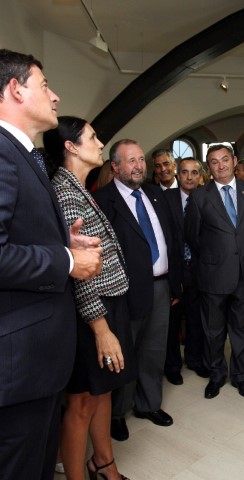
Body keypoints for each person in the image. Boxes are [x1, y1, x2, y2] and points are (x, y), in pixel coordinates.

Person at [0, 49, 102, 480]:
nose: (56, 97)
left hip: (36, 362)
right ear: (15, 89)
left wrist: (64, 240)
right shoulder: (3, 153)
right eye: (45, 86)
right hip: (18, 362)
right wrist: (65, 259)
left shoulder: (23, 154)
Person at [43, 117, 135, 480]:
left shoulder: (80, 186)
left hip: (110, 299)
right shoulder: (64, 191)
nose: (100, 143)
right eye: (93, 137)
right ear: (71, 147)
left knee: (104, 391)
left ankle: (105, 463)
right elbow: (78, 270)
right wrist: (100, 327)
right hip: (92, 309)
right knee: (81, 401)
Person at [93, 139, 181, 441]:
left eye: (141, 159)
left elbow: (171, 238)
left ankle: (149, 404)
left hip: (161, 287)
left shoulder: (156, 194)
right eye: (131, 161)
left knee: (154, 351)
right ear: (115, 166)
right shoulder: (103, 201)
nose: (139, 166)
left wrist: (175, 282)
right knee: (124, 353)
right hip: (124, 291)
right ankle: (117, 412)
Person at [185, 144, 244, 400]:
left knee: (242, 330)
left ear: (234, 161)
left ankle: (240, 377)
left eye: (224, 160)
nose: (220, 165)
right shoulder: (199, 196)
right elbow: (192, 236)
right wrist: (216, 256)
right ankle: (217, 374)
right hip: (212, 275)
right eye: (213, 162)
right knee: (213, 330)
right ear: (208, 167)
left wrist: (239, 251)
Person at [164, 158, 210, 384]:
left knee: (196, 318)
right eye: (184, 172)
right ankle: (172, 365)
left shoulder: (208, 198)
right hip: (174, 269)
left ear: (200, 175)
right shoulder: (165, 199)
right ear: (177, 175)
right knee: (172, 320)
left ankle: (195, 359)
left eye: (194, 172)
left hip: (200, 269)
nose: (189, 177)